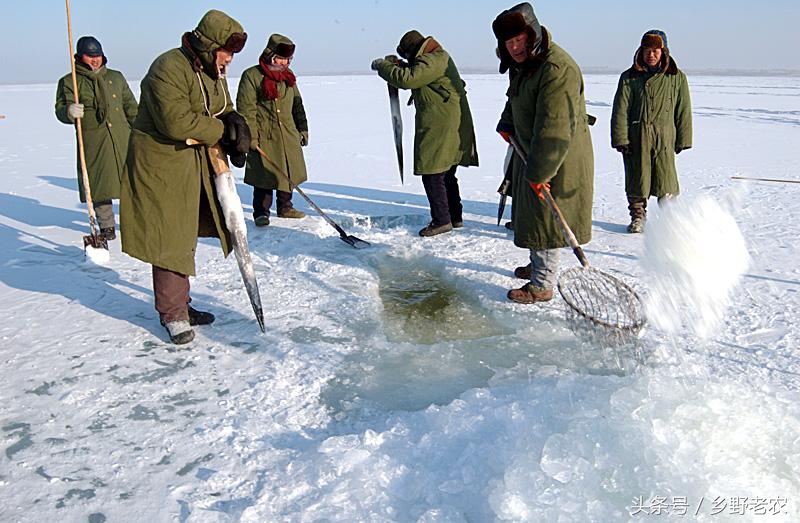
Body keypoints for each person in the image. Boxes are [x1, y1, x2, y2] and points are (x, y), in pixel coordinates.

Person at [120, 10, 250, 344]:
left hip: (195, 163)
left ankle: (182, 303)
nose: (229, 60)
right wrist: (223, 131)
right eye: (227, 52)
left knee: (185, 233)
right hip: (163, 165)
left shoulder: (212, 70)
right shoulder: (168, 68)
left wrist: (236, 124)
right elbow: (176, 122)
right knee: (170, 238)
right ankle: (173, 314)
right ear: (209, 45)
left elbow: (222, 106)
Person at [492, 2, 594, 304]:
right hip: (533, 148)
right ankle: (539, 265)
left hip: (558, 155)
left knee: (547, 217)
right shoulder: (525, 64)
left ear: (532, 34)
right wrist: (507, 123)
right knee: (535, 215)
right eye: (508, 42)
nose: (514, 47)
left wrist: (541, 172)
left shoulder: (555, 69)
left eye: (519, 40)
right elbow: (515, 99)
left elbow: (555, 128)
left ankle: (542, 284)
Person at [371, 30, 478, 237]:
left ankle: (441, 220)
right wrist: (400, 66)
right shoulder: (436, 57)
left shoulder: (433, 60)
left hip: (440, 123)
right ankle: (454, 217)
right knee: (446, 171)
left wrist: (383, 66)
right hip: (446, 120)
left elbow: (408, 79)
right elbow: (415, 73)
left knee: (432, 171)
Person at [55, 36, 138, 240]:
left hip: (121, 137)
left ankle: (133, 224)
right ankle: (107, 227)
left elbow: (131, 107)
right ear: (80, 56)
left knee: (131, 183)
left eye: (98, 55)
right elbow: (59, 110)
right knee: (101, 185)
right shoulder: (69, 81)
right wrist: (68, 111)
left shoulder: (116, 78)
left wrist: (142, 129)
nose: (95, 60)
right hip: (93, 140)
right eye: (90, 56)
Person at [611, 30, 692, 233]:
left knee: (666, 180)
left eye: (656, 50)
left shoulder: (676, 77)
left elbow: (683, 109)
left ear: (664, 52)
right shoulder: (629, 77)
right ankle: (638, 217)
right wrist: (621, 138)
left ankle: (670, 219)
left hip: (664, 136)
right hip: (637, 138)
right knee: (637, 178)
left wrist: (683, 138)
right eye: (647, 50)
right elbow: (620, 108)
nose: (651, 55)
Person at [237, 33, 308, 226]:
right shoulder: (252, 76)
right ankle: (261, 212)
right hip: (263, 135)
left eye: (288, 59)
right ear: (270, 55)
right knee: (264, 175)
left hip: (288, 134)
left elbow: (297, 106)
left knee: (287, 171)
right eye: (280, 58)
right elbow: (246, 109)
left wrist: (303, 129)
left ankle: (285, 207)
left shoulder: (288, 78)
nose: (284, 63)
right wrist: (250, 137)